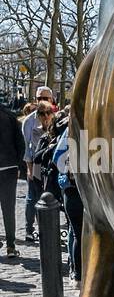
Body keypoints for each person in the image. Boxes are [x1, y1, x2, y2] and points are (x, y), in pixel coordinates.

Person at [51, 117, 83, 282]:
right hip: (73, 189)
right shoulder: (70, 132)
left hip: (88, 191)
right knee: (77, 231)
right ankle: (76, 274)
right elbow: (57, 158)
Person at [22, 89, 56, 243]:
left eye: (45, 97)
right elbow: (27, 148)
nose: (45, 116)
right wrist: (29, 168)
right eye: (39, 98)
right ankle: (30, 229)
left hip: (52, 165)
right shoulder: (29, 121)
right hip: (36, 165)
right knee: (32, 197)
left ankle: (48, 230)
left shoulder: (57, 117)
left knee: (51, 198)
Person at [0, 104, 25, 258]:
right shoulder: (10, 116)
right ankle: (10, 245)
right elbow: (20, 144)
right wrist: (18, 165)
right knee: (9, 209)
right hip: (9, 167)